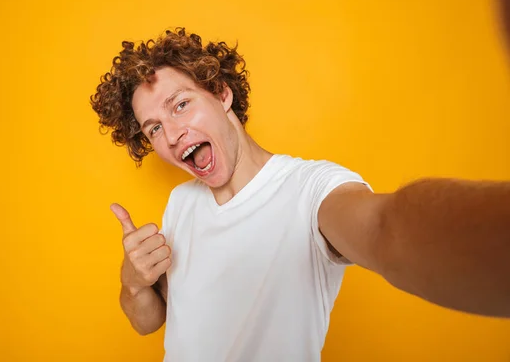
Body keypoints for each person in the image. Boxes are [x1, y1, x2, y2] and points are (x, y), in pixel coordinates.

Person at [90, 27, 509, 362]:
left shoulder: (311, 190)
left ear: (221, 93)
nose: (172, 134)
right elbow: (148, 323)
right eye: (154, 128)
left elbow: (387, 230)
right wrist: (134, 280)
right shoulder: (182, 202)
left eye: (180, 105)